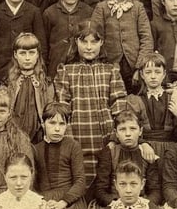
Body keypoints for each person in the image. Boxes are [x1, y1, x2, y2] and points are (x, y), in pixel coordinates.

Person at [53, 19, 126, 186]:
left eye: (94, 42)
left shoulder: (111, 70)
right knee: (81, 180)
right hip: (79, 134)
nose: (89, 47)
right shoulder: (66, 70)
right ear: (76, 42)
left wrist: (116, 135)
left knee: (106, 179)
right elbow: (62, 107)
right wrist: (68, 138)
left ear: (102, 43)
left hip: (107, 136)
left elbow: (119, 104)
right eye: (83, 41)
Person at [33, 101, 89, 209]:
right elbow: (32, 182)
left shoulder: (73, 146)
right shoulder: (35, 149)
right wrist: (41, 201)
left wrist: (64, 202)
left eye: (62, 124)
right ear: (43, 124)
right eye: (52, 123)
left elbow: (80, 181)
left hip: (69, 199)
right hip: (43, 198)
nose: (57, 129)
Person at [91, 0, 154, 93]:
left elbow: (146, 38)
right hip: (109, 64)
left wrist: (139, 67)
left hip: (133, 65)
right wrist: (104, 64)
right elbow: (95, 38)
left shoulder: (138, 8)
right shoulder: (101, 8)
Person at [92, 109, 163, 206]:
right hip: (114, 202)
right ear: (116, 133)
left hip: (142, 203)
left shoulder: (147, 153)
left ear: (140, 131)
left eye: (133, 129)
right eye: (122, 129)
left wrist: (144, 204)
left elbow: (155, 190)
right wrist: (114, 204)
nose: (128, 134)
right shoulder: (110, 153)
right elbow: (100, 189)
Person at [41, 0, 93, 78]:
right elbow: (44, 45)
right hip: (55, 67)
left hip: (81, 67)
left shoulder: (89, 12)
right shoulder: (49, 13)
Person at [6, 32, 54, 143]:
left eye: (31, 53)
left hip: (39, 136)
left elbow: (50, 110)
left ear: (38, 55)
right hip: (14, 135)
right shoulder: (8, 83)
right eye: (23, 53)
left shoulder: (46, 83)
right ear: (15, 55)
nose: (27, 58)